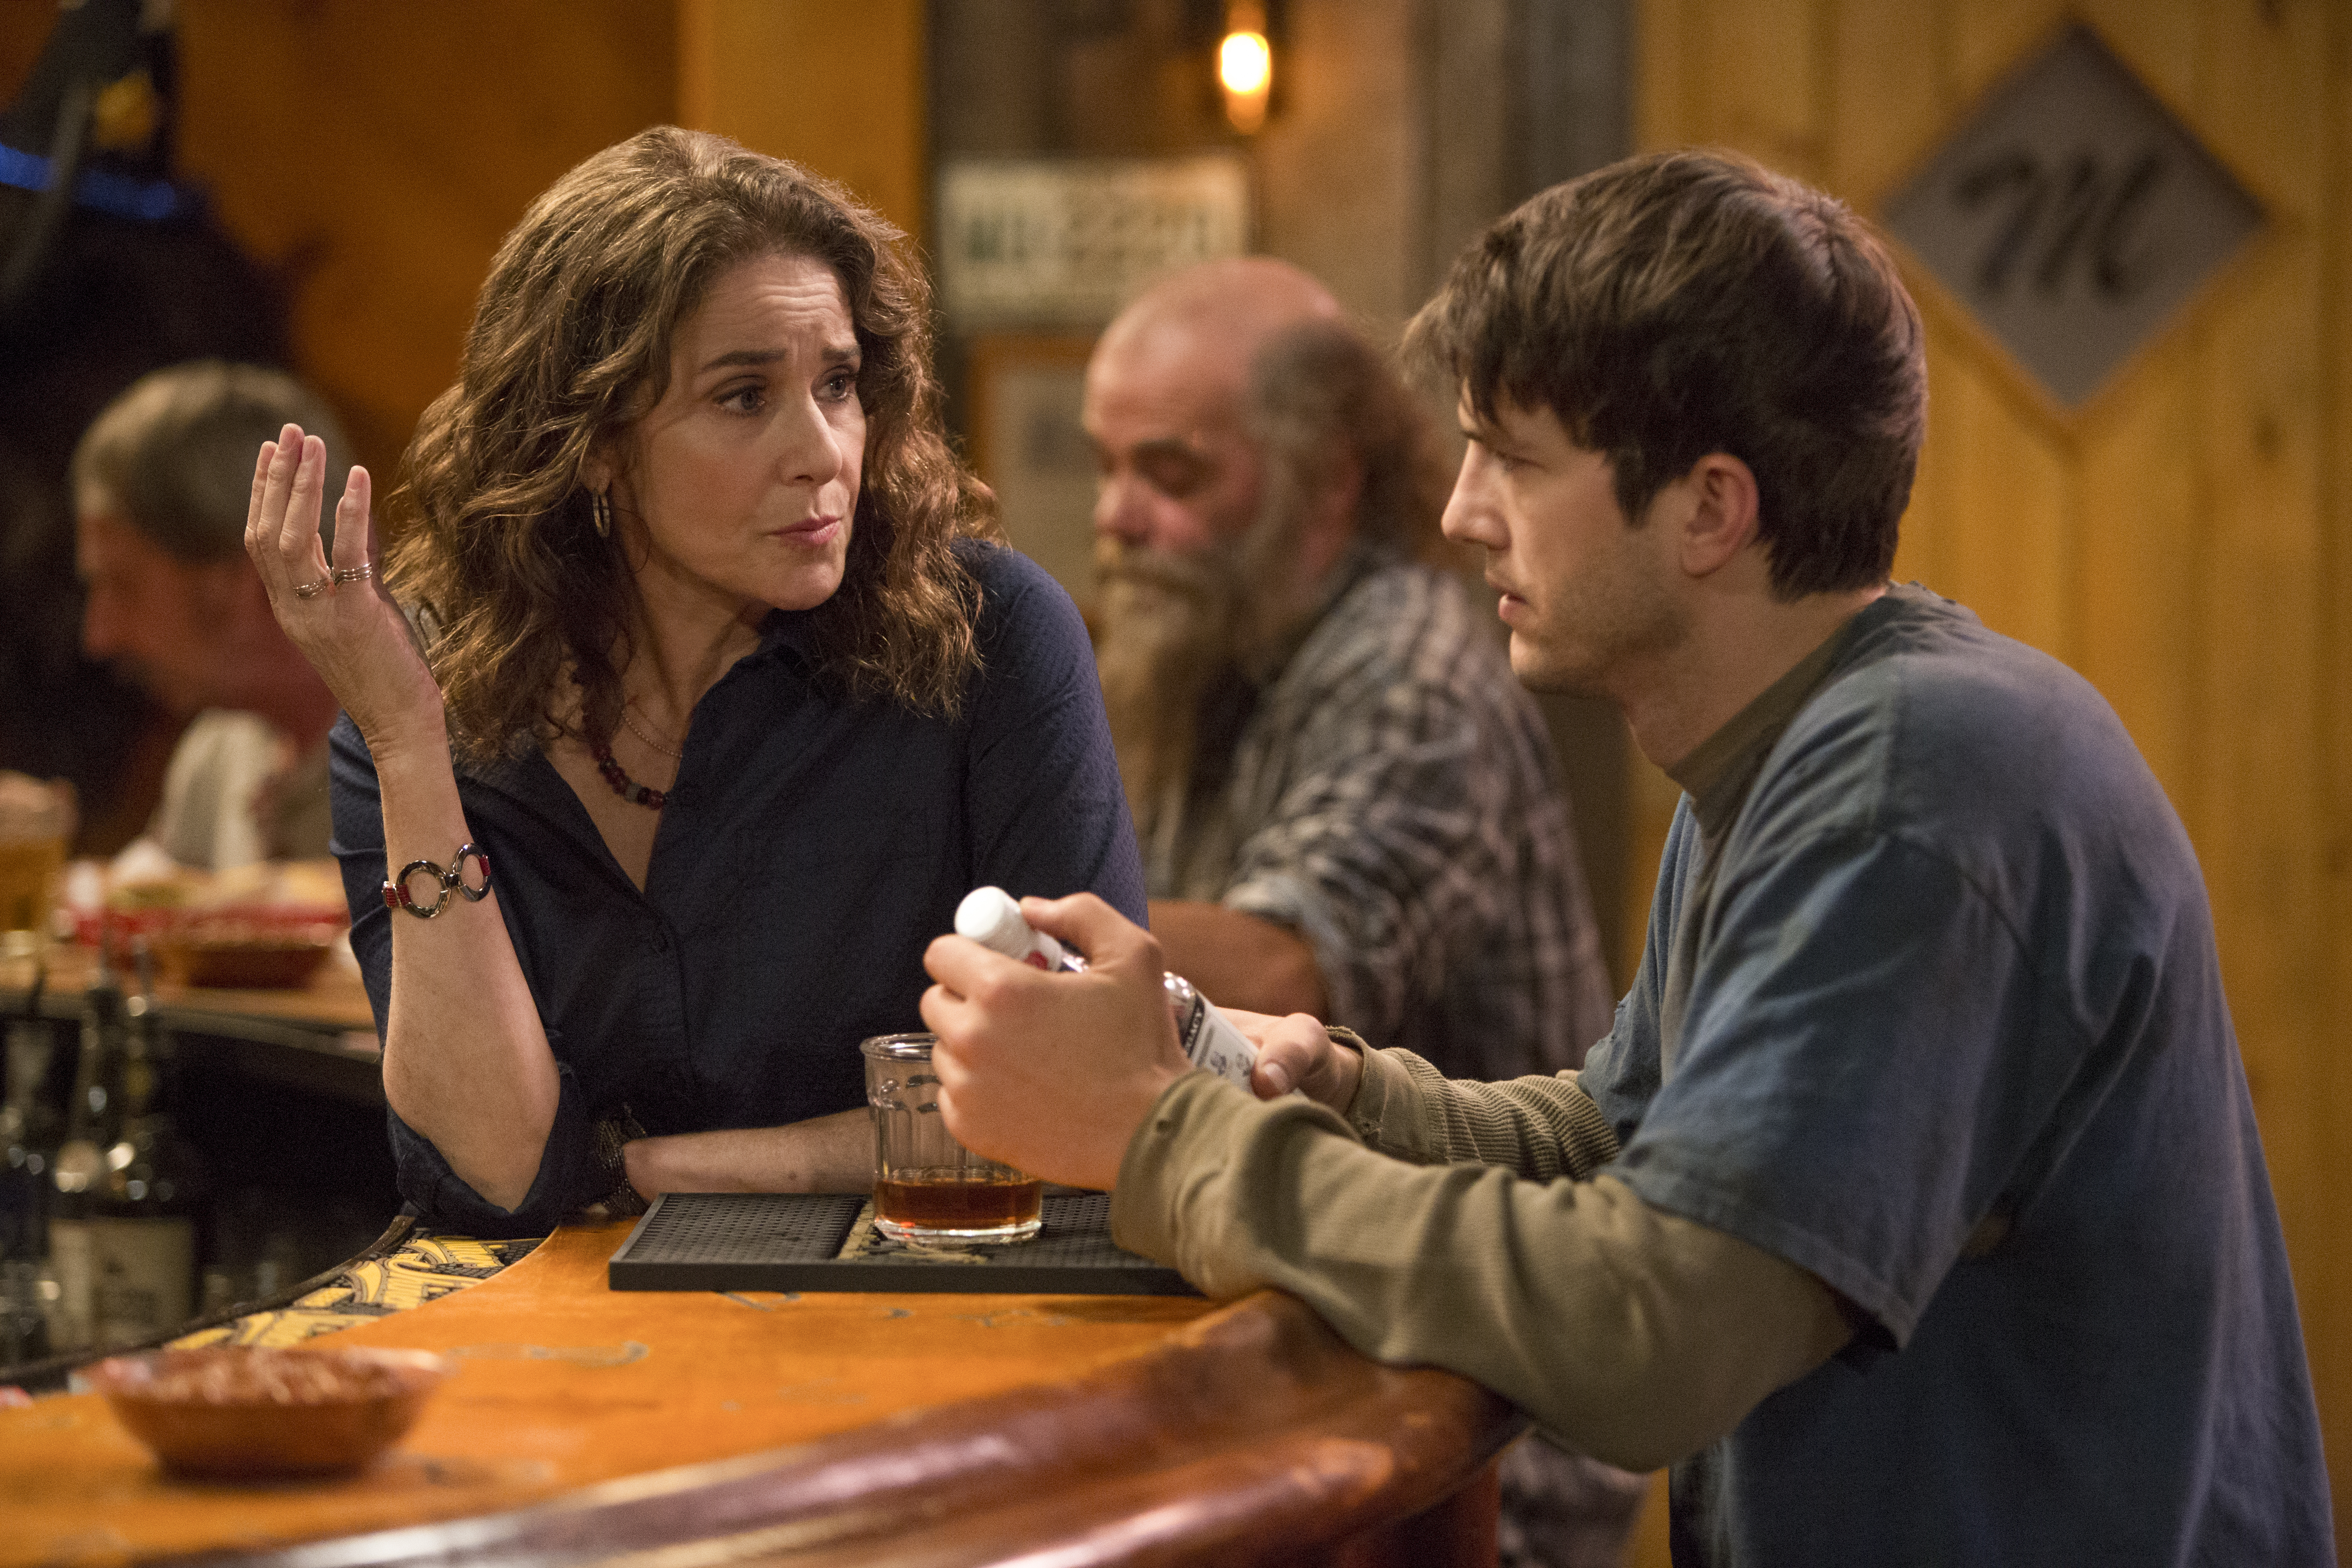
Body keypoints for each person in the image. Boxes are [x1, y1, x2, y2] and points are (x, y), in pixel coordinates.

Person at [919, 149, 2334, 1564]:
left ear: (1709, 509)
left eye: (1514, 460)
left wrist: (1160, 1136)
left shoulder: (1914, 784)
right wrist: (1323, 1083)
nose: (1463, 509)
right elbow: (1624, 1134)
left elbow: (1654, 1334)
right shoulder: (1795, 743)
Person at [245, 127, 1144, 1237]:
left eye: (838, 384)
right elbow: (492, 1172)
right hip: (551, 1345)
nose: (822, 451)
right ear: (595, 444)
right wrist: (401, 740)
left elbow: (1090, 1093)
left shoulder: (989, 637)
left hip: (909, 1317)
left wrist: (656, 1165)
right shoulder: (432, 703)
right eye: (742, 396)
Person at [1086, 257, 1613, 1077]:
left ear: (1327, 479)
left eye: (1170, 473)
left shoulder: (1410, 670)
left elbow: (1284, 970)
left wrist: (975, 920)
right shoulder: (1214, 646)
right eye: (1106, 465)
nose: (1113, 516)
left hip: (1465, 1198)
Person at [72, 362, 348, 868]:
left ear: (243, 579)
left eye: (123, 587)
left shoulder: (442, 756)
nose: (99, 637)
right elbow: (138, 910)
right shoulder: (220, 750)